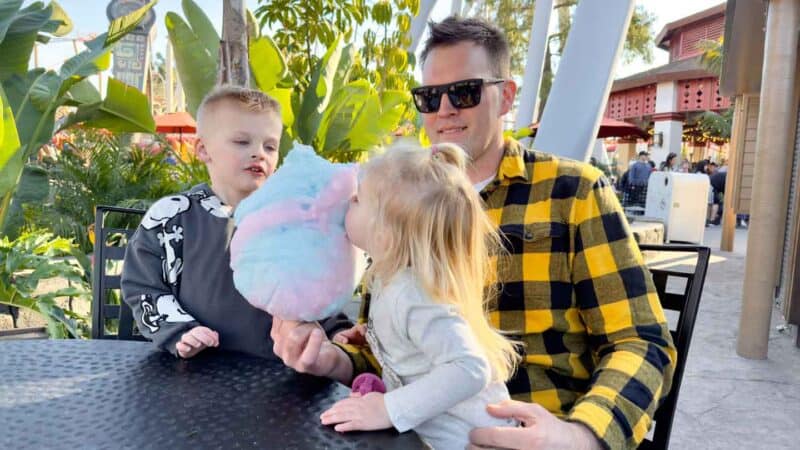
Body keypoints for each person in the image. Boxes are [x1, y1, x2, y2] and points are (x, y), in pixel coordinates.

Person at [271, 16, 676, 450]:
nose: (444, 109)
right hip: (422, 432)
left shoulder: (573, 191)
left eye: (464, 92)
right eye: (429, 97)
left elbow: (640, 341)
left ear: (506, 97)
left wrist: (580, 435)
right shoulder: (397, 200)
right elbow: (393, 349)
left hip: (544, 424)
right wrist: (328, 359)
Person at [121, 86, 350, 359]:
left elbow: (315, 286)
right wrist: (178, 330)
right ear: (203, 150)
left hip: (276, 375)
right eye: (242, 142)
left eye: (270, 146)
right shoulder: (173, 217)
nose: (259, 153)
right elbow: (142, 284)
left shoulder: (293, 220)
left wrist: (337, 330)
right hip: (192, 372)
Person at [319, 143, 521, 449]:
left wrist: (389, 409)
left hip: (470, 440)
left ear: (386, 232)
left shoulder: (411, 294)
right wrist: (373, 336)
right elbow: (416, 340)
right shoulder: (394, 281)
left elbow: (470, 368)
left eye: (359, 199)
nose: (350, 201)